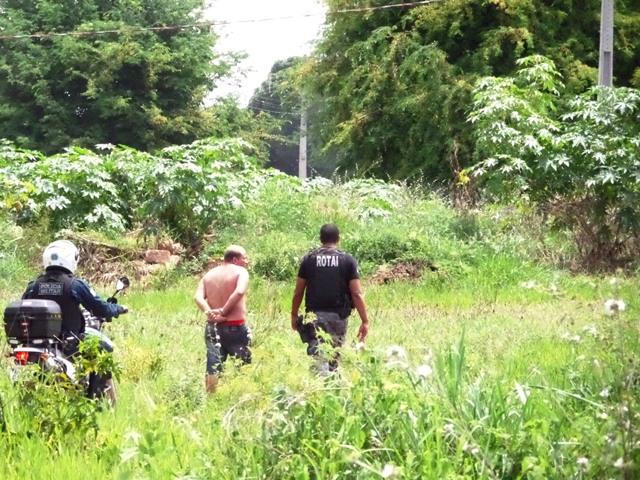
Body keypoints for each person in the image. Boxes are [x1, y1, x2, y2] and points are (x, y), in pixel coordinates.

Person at [22, 240, 127, 402]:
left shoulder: (33, 286)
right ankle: (94, 400)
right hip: (69, 344)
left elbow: (24, 310)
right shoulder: (74, 285)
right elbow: (101, 308)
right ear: (71, 259)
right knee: (104, 350)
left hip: (37, 345)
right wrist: (118, 309)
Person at [291, 224, 369, 373]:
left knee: (318, 353)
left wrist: (294, 314)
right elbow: (357, 294)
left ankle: (320, 387)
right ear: (338, 239)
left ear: (321, 239)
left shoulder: (309, 259)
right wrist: (365, 320)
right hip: (338, 317)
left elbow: (298, 292)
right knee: (333, 357)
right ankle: (331, 385)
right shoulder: (348, 260)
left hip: (314, 316)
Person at [194, 245, 252, 394]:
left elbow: (198, 297)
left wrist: (209, 313)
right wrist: (223, 311)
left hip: (213, 328)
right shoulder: (241, 272)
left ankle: (211, 400)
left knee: (213, 366)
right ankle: (244, 399)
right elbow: (239, 291)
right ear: (235, 259)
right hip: (235, 327)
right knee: (244, 368)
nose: (246, 261)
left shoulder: (209, 275)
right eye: (244, 258)